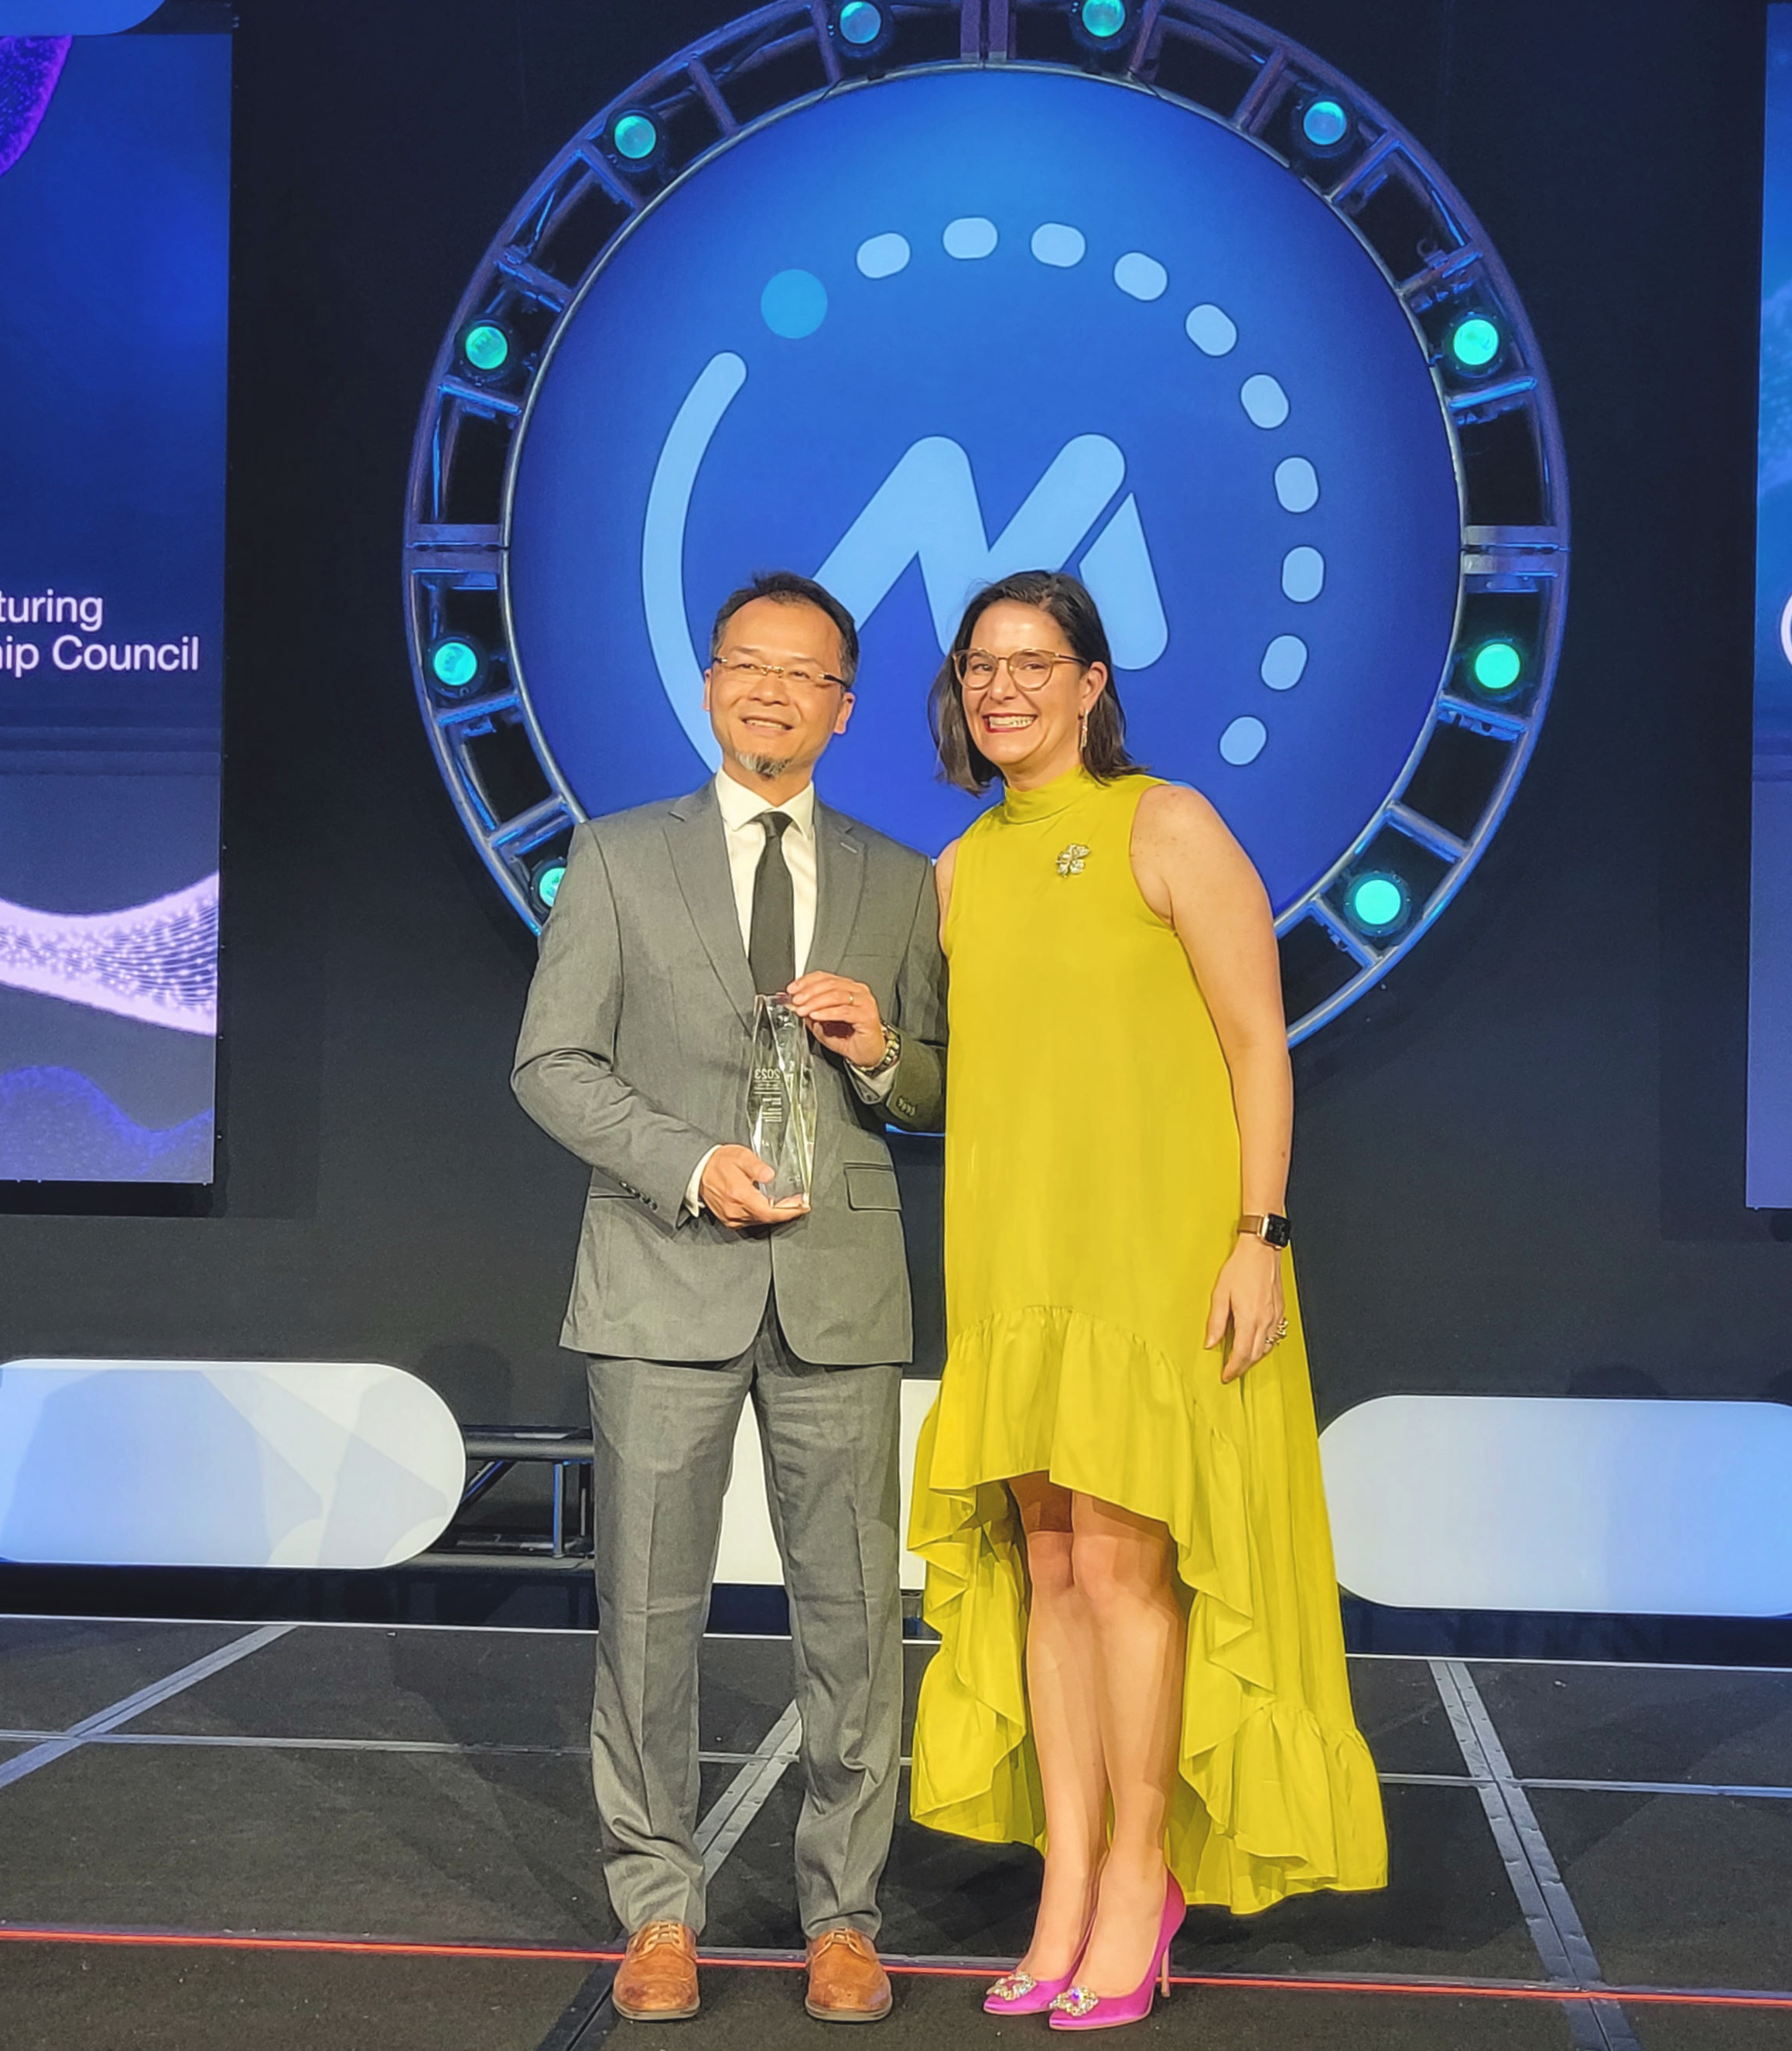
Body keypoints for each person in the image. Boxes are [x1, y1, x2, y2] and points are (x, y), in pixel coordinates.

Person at [906, 569, 1386, 2029]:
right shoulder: (957, 869)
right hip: (1012, 1260)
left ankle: (1137, 1878)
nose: (1002, 688)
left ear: (1092, 682)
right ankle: (1065, 1884)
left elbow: (1257, 1045)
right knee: (1048, 1569)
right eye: (980, 665)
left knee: (1125, 1572)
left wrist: (1261, 1233)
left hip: (1154, 1257)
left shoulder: (1164, 824)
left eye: (1032, 662)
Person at [513, 570, 947, 2027]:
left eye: (803, 673)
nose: (772, 691)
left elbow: (940, 1085)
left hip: (839, 1285)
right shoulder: (617, 854)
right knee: (647, 1610)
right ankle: (658, 1906)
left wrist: (882, 1051)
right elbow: (552, 1063)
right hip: (662, 1276)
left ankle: (844, 1914)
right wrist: (691, 1163)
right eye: (747, 664)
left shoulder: (899, 876)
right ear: (710, 684)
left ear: (844, 707)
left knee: (855, 1616)